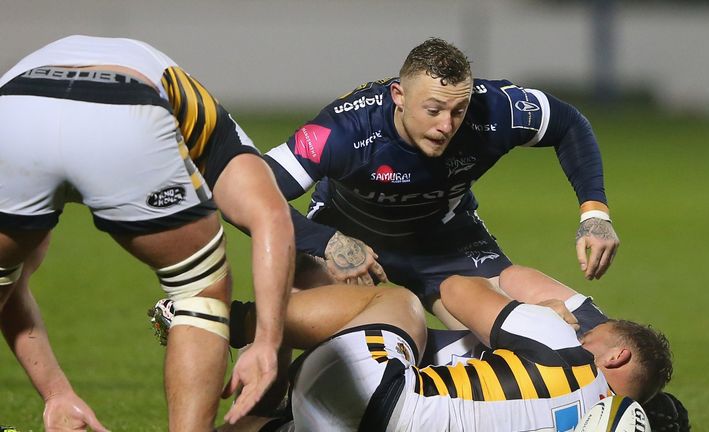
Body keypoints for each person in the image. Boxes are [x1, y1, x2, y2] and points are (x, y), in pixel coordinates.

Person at [0, 35, 294, 430]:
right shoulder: (208, 120)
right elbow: (271, 215)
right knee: (200, 290)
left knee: (5, 275)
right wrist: (268, 342)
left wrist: (56, 393)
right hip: (123, 105)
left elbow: (12, 289)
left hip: (14, 110)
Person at [261, 37, 620, 328]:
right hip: (350, 234)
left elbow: (568, 123)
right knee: (288, 318)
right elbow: (252, 194)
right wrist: (327, 242)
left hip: (444, 237)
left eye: (458, 111)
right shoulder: (343, 131)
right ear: (399, 97)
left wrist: (595, 214)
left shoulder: (494, 109)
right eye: (433, 110)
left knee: (530, 334)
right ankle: (274, 410)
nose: (446, 126)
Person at [210, 276, 671, 431]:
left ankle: (227, 320)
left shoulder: (562, 347)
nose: (582, 332)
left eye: (592, 334)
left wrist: (541, 311)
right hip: (342, 417)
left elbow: (454, 289)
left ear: (615, 358)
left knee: (398, 301)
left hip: (372, 396)